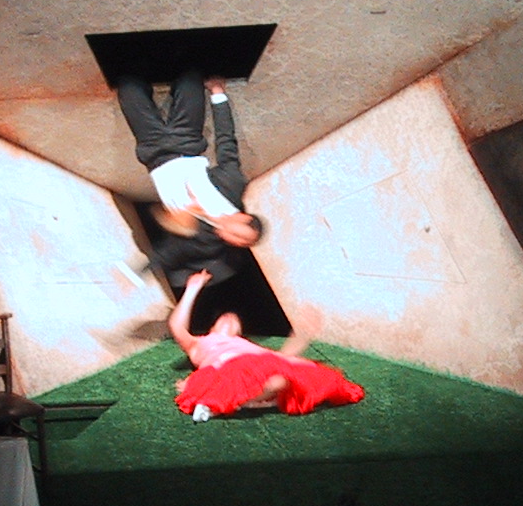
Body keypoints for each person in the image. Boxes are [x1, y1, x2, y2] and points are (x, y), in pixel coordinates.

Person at [117, 71, 263, 310]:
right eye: (239, 235)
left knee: (129, 86)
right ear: (244, 218)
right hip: (187, 140)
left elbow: (168, 254)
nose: (232, 239)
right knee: (190, 80)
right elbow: (226, 141)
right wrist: (218, 94)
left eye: (237, 242)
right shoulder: (233, 186)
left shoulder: (205, 241)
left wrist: (138, 274)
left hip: (154, 151)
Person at [168, 270, 365, 421]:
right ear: (212, 326)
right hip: (226, 369)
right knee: (271, 375)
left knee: (281, 379)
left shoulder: (249, 346)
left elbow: (280, 360)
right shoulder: (200, 343)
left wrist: (302, 338)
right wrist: (192, 289)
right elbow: (177, 327)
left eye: (235, 320)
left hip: (260, 368)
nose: (229, 317)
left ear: (240, 332)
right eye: (224, 317)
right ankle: (229, 402)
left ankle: (244, 402)